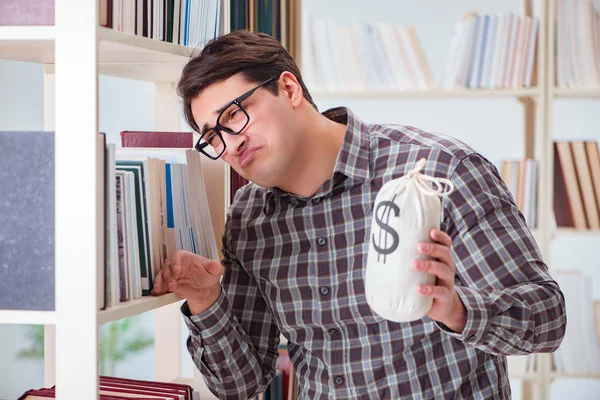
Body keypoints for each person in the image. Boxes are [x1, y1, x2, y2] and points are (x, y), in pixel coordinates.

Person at [151, 30, 567, 399]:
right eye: (213, 136)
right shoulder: (247, 221)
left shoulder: (440, 171)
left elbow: (548, 320)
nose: (230, 144)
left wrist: (456, 310)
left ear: (290, 89)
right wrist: (205, 300)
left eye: (234, 115)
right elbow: (240, 385)